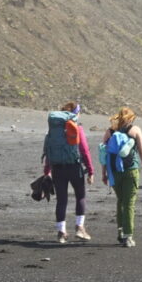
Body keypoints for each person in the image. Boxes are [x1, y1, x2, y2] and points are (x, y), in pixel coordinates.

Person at [43, 101, 94, 243]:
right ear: (76, 113)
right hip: (74, 166)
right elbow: (84, 150)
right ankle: (79, 228)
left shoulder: (53, 130)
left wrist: (47, 170)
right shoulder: (77, 127)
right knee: (80, 196)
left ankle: (61, 232)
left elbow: (48, 149)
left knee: (61, 200)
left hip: (57, 167)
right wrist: (90, 170)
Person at [103, 107, 142, 247]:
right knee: (129, 203)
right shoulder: (135, 130)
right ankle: (128, 236)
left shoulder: (109, 131)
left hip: (114, 171)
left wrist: (104, 173)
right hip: (131, 170)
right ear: (131, 118)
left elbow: (104, 154)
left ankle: (120, 232)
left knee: (121, 201)